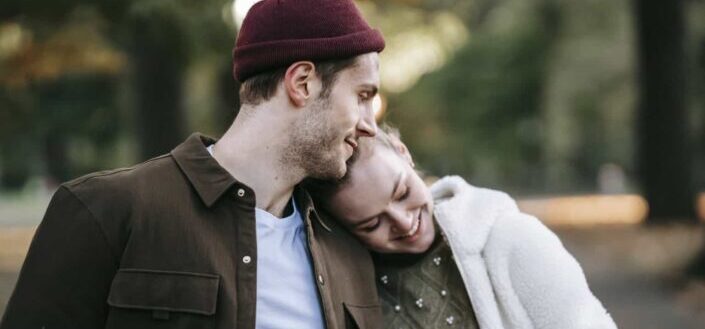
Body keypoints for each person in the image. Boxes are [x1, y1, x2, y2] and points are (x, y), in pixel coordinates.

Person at [0, 0, 386, 328]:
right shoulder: (105, 210)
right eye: (362, 94)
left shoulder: (349, 247)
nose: (370, 125)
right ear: (302, 82)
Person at [305, 125, 618, 329]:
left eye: (401, 193)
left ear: (404, 153)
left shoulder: (512, 238)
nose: (402, 222)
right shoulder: (351, 286)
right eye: (372, 224)